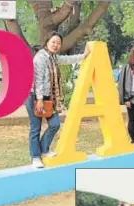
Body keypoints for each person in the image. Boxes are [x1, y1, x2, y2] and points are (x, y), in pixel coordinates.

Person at [28, 32, 90, 168]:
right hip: (35, 96)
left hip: (49, 97)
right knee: (35, 128)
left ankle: (43, 149)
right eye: (53, 42)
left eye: (58, 43)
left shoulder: (53, 57)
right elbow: (38, 80)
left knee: (55, 124)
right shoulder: (40, 58)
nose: (56, 45)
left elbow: (66, 60)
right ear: (47, 42)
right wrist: (39, 99)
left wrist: (84, 56)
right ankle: (35, 157)